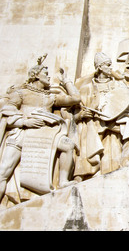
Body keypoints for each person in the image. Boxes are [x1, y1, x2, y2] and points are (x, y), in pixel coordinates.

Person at [0, 55, 80, 203]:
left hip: (44, 134)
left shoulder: (50, 97)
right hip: (23, 132)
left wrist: (67, 81)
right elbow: (7, 111)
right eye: (45, 74)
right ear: (36, 75)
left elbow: (75, 99)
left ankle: (63, 181)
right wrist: (24, 122)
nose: (48, 77)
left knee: (68, 145)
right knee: (3, 172)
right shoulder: (21, 93)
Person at [74, 52, 129, 180]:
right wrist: (81, 115)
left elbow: (124, 104)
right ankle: (83, 173)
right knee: (86, 132)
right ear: (100, 67)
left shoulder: (118, 84)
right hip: (95, 122)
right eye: (107, 65)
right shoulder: (87, 88)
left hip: (114, 121)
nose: (110, 68)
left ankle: (125, 159)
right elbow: (74, 112)